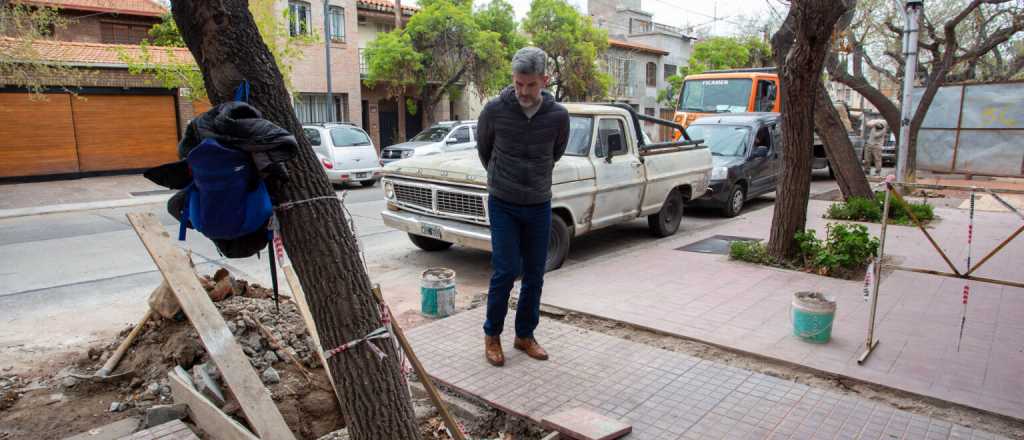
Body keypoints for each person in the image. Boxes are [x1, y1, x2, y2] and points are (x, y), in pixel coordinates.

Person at [475, 47, 570, 367]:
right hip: (503, 202)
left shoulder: (558, 116)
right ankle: (492, 336)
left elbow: (555, 153)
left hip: (539, 203)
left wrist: (533, 181)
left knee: (535, 273)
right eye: (518, 84)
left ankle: (524, 335)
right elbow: (485, 152)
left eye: (530, 85)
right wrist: (506, 179)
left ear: (544, 80)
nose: (523, 92)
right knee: (505, 271)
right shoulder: (494, 110)